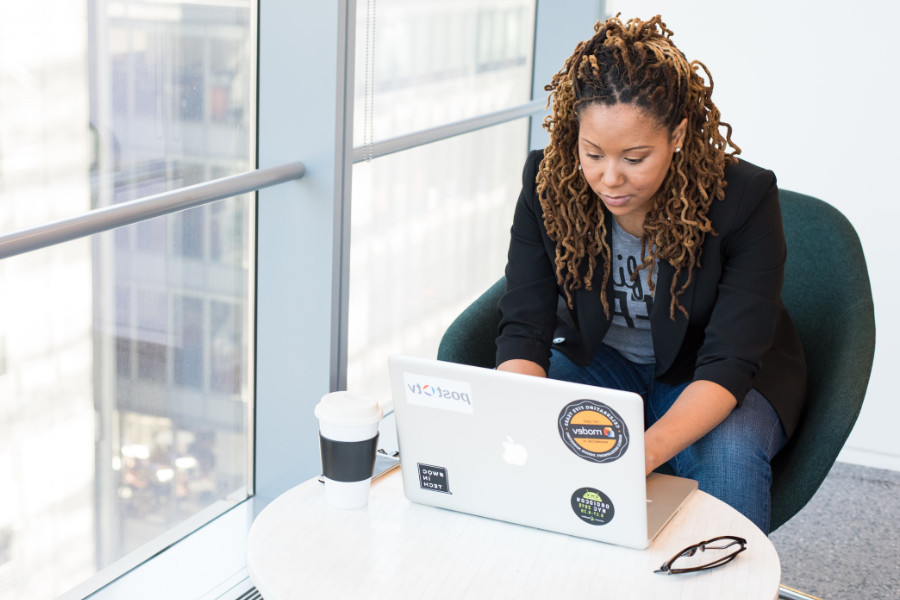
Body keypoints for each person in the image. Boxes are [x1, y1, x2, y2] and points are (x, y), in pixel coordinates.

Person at [495, 14, 806, 534]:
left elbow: (730, 359)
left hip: (709, 373)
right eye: (592, 153)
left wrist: (638, 452)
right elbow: (524, 325)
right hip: (605, 362)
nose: (609, 178)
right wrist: (517, 416)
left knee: (726, 457)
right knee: (524, 446)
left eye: (634, 158)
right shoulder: (548, 182)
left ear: (678, 134)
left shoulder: (744, 199)